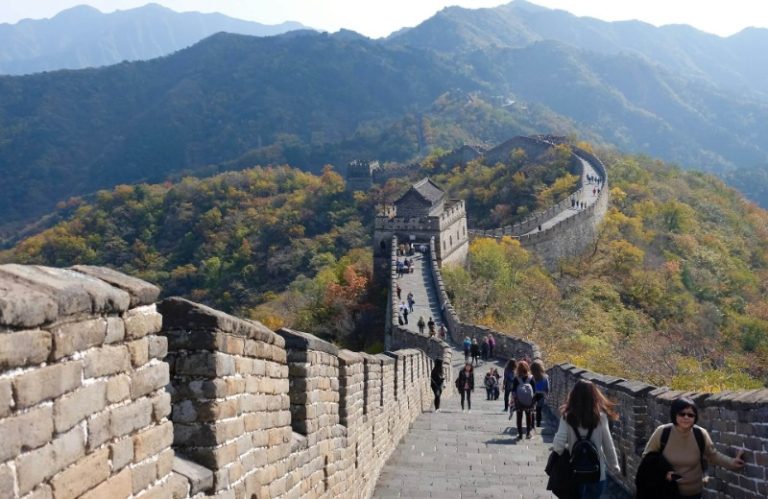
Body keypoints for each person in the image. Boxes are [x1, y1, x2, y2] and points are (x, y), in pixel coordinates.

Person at [641, 397, 745, 499]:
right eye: (682, 414)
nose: (686, 417)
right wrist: (663, 472)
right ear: (674, 414)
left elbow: (713, 455)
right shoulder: (663, 432)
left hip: (694, 493)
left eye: (690, 415)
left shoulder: (700, 434)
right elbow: (647, 457)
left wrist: (732, 463)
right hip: (666, 490)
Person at [552, 379, 620, 499]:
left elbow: (558, 447)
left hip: (575, 472)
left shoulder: (567, 416)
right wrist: (614, 465)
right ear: (594, 396)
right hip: (597, 472)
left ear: (573, 395)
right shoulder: (601, 417)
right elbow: (608, 444)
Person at [511, 360, 536, 438]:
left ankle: (520, 434)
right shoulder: (531, 378)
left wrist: (513, 400)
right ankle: (528, 433)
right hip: (529, 401)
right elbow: (534, 390)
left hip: (518, 401)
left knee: (519, 416)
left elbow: (514, 391)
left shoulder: (516, 378)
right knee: (528, 416)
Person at [531, 359, 550, 427]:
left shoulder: (532, 377)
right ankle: (538, 424)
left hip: (533, 394)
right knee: (539, 410)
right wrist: (546, 395)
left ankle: (532, 424)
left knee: (531, 409)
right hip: (541, 395)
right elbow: (547, 388)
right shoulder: (545, 377)